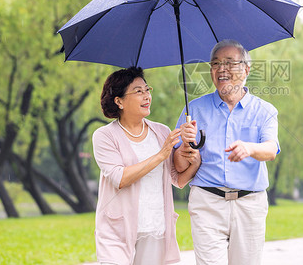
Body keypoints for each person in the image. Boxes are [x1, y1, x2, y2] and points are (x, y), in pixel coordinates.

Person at [174, 39, 280, 265]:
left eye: (230, 63)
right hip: (207, 202)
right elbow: (179, 167)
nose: (221, 69)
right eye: (215, 64)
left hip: (249, 203)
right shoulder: (193, 110)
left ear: (246, 69)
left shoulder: (265, 111)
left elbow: (271, 150)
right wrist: (184, 146)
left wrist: (249, 148)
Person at [92, 67, 200, 265]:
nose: (147, 96)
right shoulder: (105, 136)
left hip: (155, 229)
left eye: (147, 89)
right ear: (119, 101)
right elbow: (120, 178)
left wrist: (190, 152)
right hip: (117, 231)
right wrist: (161, 155)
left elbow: (178, 179)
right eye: (138, 91)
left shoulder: (161, 131)